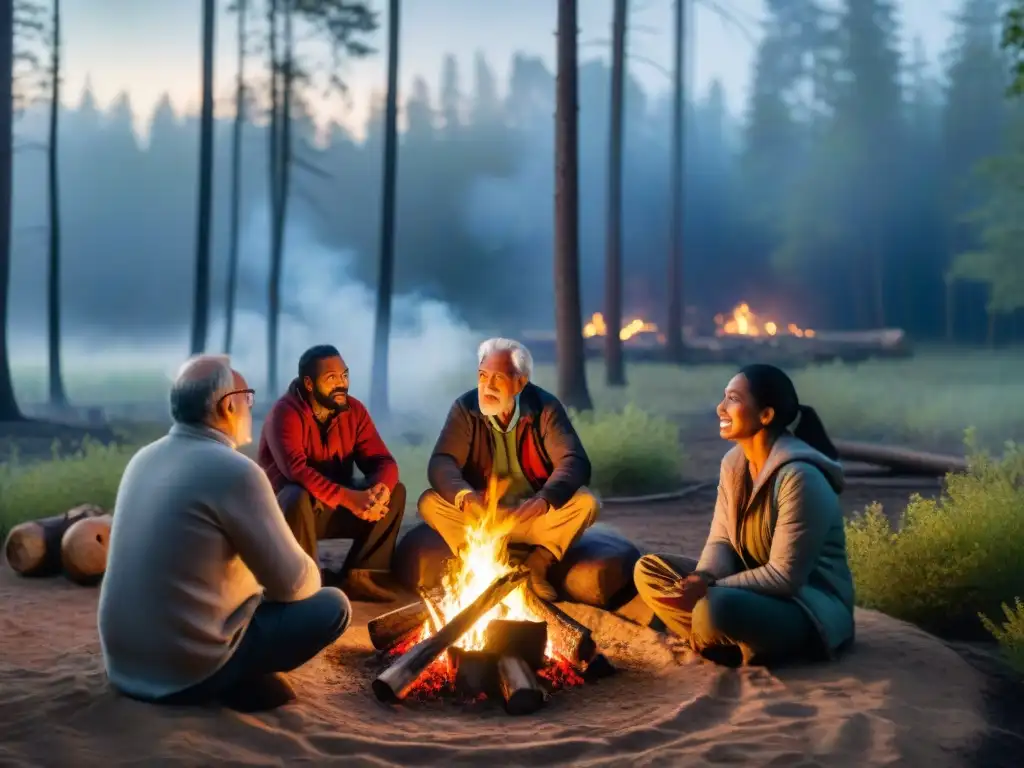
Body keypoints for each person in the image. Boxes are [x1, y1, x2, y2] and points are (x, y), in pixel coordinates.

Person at [98, 355, 349, 713]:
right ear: (228, 406)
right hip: (184, 675)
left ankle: (232, 673)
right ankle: (233, 679)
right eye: (247, 397)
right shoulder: (236, 471)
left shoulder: (143, 459)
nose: (251, 406)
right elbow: (294, 585)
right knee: (332, 606)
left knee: (249, 591)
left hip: (123, 666)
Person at [633, 363, 855, 667]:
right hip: (747, 592)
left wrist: (711, 588)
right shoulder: (733, 463)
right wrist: (703, 576)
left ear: (766, 415)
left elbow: (783, 577)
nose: (720, 408)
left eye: (733, 399)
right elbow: (721, 539)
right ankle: (724, 639)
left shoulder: (799, 476)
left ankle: (718, 635)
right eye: (724, 398)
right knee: (648, 570)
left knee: (715, 607)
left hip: (804, 608)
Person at [418, 337, 600, 601]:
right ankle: (475, 560)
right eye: (482, 375)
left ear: (520, 382)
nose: (487, 386)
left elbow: (574, 460)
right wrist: (465, 496)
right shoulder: (465, 407)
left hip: (532, 515)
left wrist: (545, 499)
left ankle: (537, 567)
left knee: (586, 503)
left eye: (498, 378)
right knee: (430, 502)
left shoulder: (545, 407)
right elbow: (442, 461)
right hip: (483, 516)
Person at [258, 345, 405, 603]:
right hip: (287, 514)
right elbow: (297, 471)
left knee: (396, 490)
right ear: (309, 383)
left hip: (333, 505)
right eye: (332, 378)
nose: (342, 384)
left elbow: (383, 460)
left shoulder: (354, 411)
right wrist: (351, 500)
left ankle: (360, 576)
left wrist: (381, 490)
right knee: (295, 495)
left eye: (344, 376)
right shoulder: (285, 413)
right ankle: (305, 581)